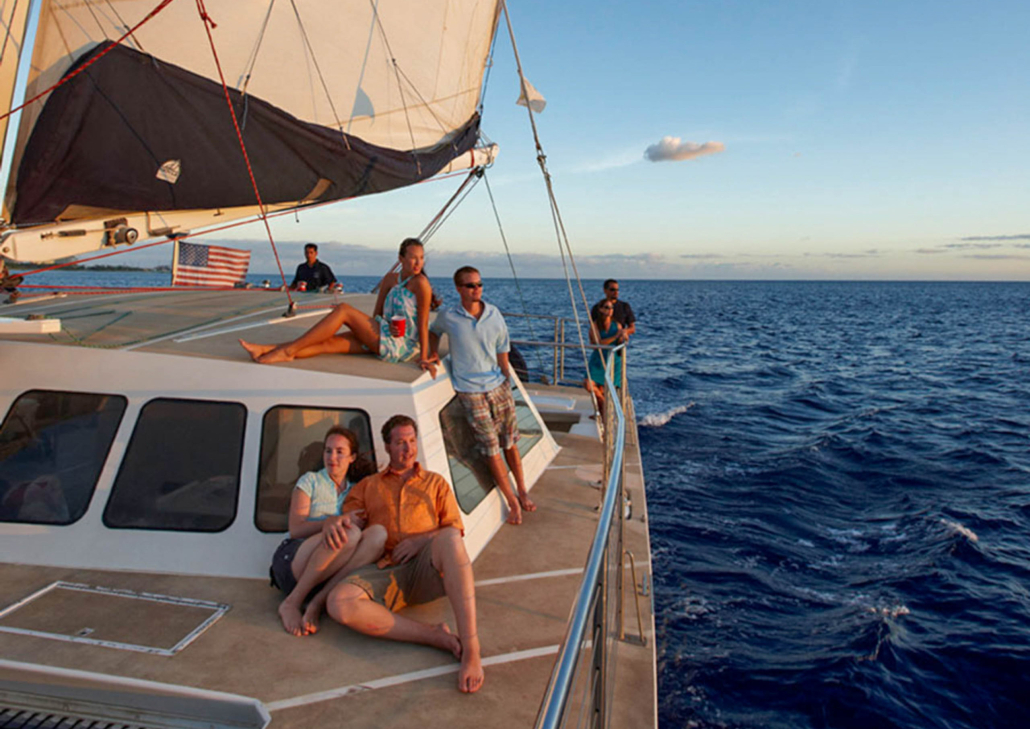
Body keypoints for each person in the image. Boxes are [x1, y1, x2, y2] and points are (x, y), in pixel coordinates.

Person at [325, 415, 484, 693]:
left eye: (412, 441)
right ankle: (434, 637)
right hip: (384, 569)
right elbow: (350, 522)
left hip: (426, 569)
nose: (408, 449)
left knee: (448, 537)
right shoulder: (369, 486)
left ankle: (471, 648)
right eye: (400, 443)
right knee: (338, 603)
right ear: (387, 446)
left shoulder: (436, 484)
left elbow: (455, 529)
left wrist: (421, 541)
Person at [427, 266, 536, 525]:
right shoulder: (449, 316)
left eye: (479, 284)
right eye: (470, 286)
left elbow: (503, 346)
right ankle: (511, 501)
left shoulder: (494, 314)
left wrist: (506, 377)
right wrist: (431, 354)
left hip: (497, 386)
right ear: (459, 289)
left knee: (510, 442)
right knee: (491, 448)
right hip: (470, 392)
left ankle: (522, 489)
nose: (476, 289)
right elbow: (434, 331)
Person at [240, 238, 436, 373]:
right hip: (382, 332)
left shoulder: (421, 284)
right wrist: (383, 325)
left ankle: (286, 352)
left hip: (401, 345)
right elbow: (377, 315)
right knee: (326, 344)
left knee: (343, 310)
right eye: (412, 257)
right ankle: (265, 349)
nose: (418, 262)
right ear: (401, 259)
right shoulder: (390, 279)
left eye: (421, 257)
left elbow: (423, 323)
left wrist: (424, 357)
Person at [269, 427, 385, 637]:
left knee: (378, 534)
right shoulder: (310, 481)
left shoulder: (358, 489)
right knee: (349, 533)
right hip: (295, 562)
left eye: (340, 451)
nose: (332, 457)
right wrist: (330, 522)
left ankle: (318, 601)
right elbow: (295, 529)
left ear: (352, 457)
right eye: (328, 450)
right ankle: (291, 602)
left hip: (328, 575)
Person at [583, 300, 625, 417]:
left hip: (612, 360)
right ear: (600, 309)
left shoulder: (616, 325)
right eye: (607, 307)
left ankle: (601, 414)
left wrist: (622, 336)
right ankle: (605, 405)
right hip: (598, 360)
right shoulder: (595, 325)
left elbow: (620, 342)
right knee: (588, 384)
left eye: (611, 307)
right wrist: (615, 336)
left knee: (602, 388)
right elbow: (597, 343)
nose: (610, 310)